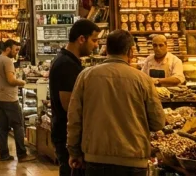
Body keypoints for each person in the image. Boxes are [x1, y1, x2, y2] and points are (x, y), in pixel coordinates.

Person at [67, 30, 165, 175]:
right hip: (133, 159)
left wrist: (74, 152)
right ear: (131, 52)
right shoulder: (143, 80)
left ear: (106, 50)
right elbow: (157, 122)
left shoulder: (86, 76)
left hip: (95, 158)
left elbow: (74, 118)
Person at [49, 20, 101, 176]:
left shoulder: (68, 61)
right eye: (94, 40)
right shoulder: (66, 64)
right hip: (67, 135)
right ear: (81, 39)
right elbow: (70, 105)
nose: (96, 45)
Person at [0, 39, 32, 162]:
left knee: (3, 127)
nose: (16, 52)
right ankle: (22, 154)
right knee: (18, 125)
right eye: (15, 50)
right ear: (8, 49)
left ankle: (4, 154)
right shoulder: (7, 61)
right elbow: (11, 80)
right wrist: (23, 82)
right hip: (9, 99)